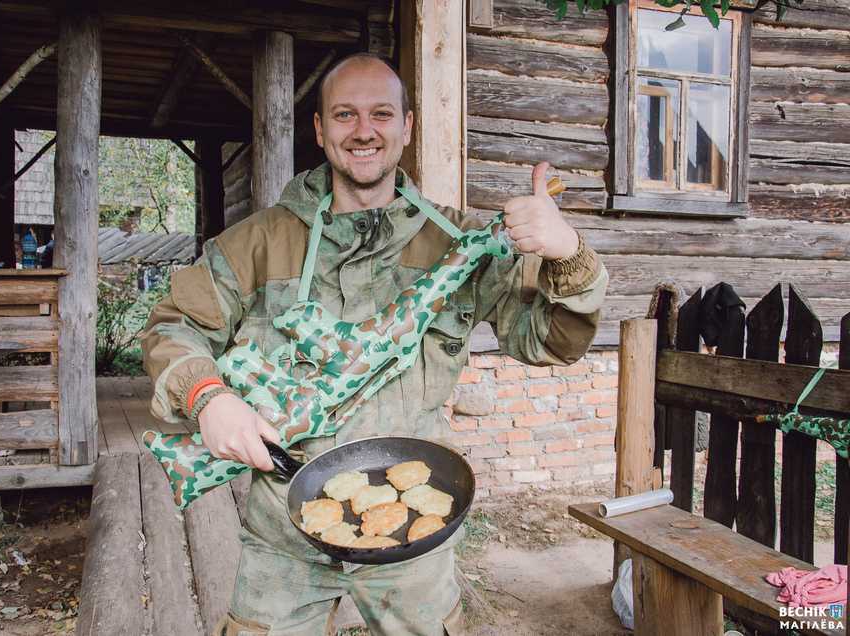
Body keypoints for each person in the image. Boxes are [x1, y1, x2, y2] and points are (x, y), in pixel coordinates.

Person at [141, 53, 608, 636]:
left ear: (407, 126)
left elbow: (553, 343)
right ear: (319, 129)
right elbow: (172, 325)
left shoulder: (459, 243)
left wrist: (569, 254)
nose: (364, 130)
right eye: (344, 114)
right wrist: (209, 397)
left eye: (381, 114)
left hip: (416, 535)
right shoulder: (257, 243)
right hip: (283, 536)